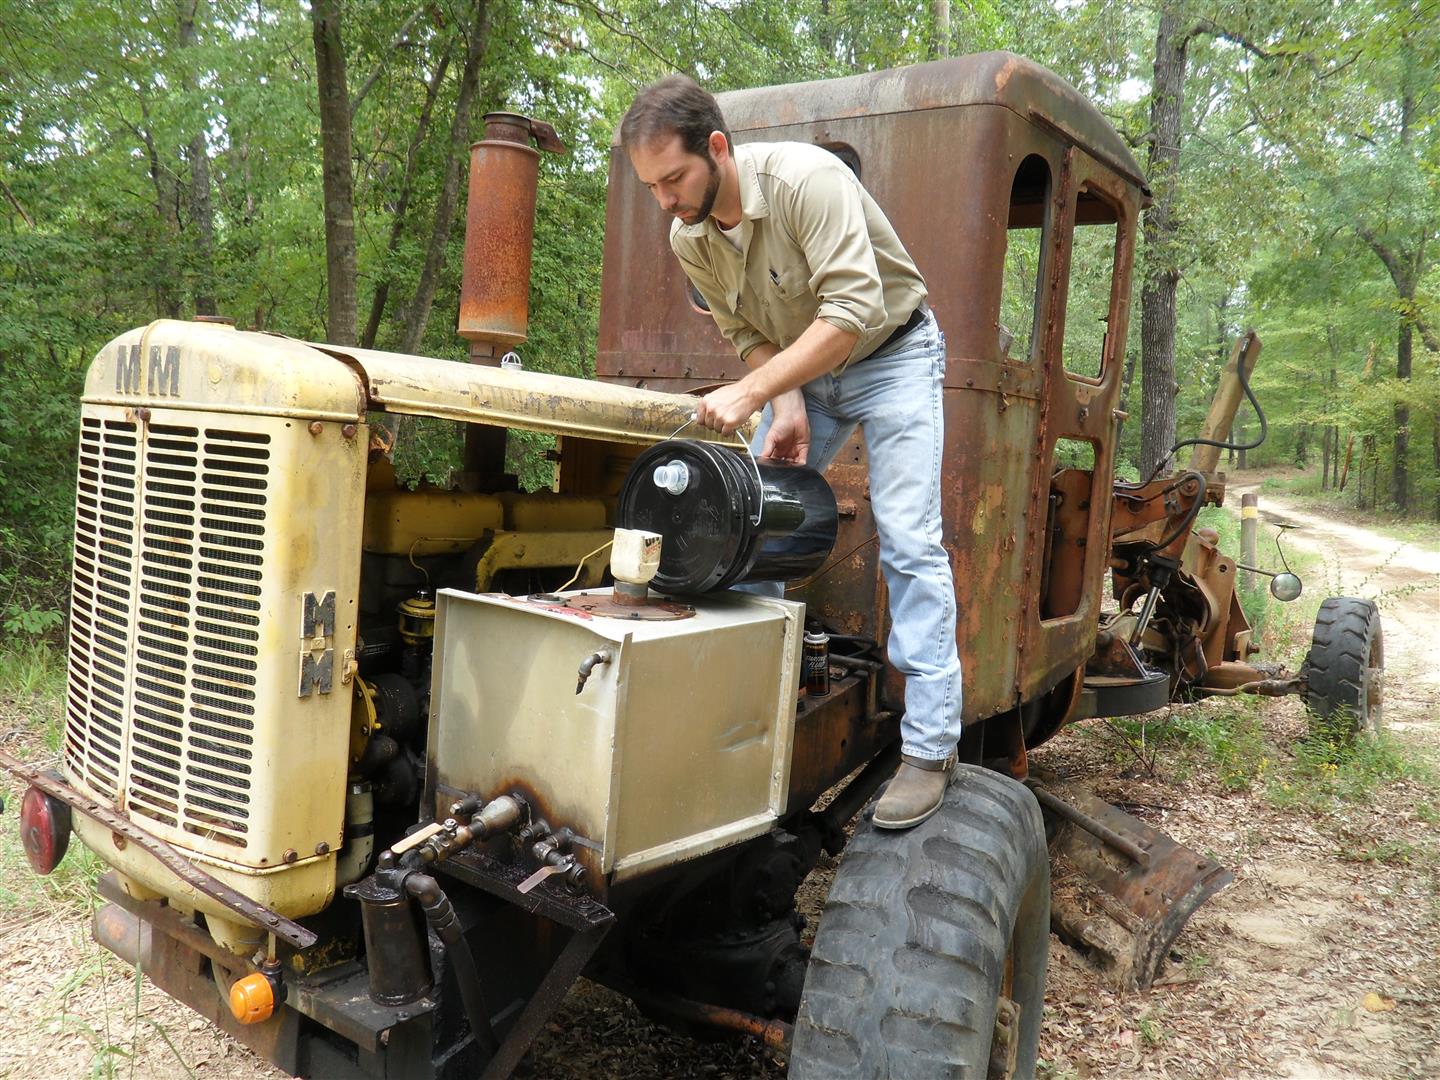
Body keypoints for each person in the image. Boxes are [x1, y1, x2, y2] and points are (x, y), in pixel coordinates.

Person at [620, 75, 963, 829]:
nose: (666, 201)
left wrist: (752, 392)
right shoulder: (688, 237)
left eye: (674, 179)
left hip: (893, 356)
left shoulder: (808, 181)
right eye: (651, 188)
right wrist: (784, 402)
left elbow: (854, 311)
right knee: (740, 524)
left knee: (908, 539)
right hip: (805, 376)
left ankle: (931, 748)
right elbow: (746, 332)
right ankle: (748, 719)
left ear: (717, 147)